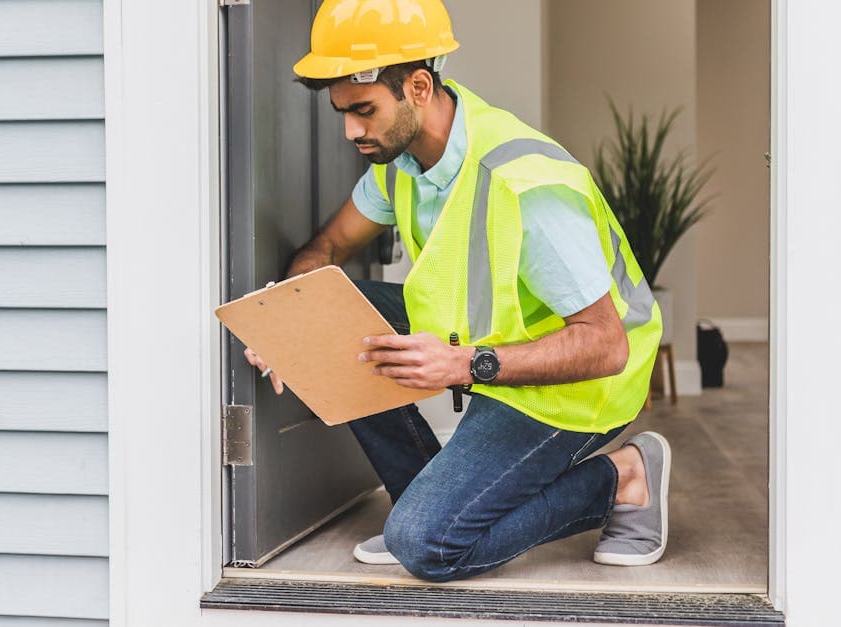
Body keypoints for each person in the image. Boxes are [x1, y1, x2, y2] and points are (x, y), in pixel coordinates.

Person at [244, 0, 670, 582]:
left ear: (418, 86)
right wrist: (293, 325)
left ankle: (625, 476)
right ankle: (428, 495)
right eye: (343, 112)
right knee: (342, 314)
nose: (350, 130)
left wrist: (464, 364)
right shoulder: (400, 163)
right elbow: (327, 249)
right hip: (490, 350)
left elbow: (606, 346)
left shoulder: (525, 185)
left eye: (363, 111)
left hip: (578, 385)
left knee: (427, 544)